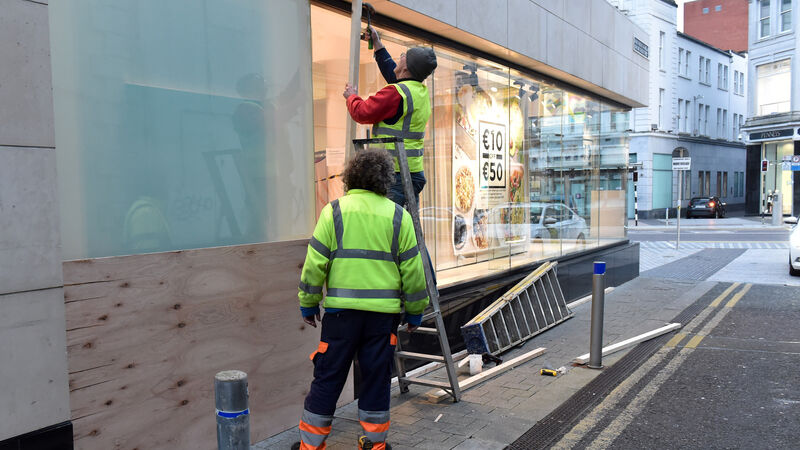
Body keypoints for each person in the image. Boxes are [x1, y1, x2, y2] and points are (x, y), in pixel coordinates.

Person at [293, 149, 430, 450]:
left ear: (350, 176)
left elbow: (315, 264)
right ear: (385, 180)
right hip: (382, 319)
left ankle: (310, 446)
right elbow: (413, 270)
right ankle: (374, 445)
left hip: (341, 317)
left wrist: (308, 302)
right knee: (376, 379)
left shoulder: (334, 212)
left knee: (328, 378)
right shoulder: (399, 216)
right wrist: (416, 311)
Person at [343, 27, 437, 208]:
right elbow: (393, 72)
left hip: (394, 173)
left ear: (407, 67)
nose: (400, 57)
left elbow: (362, 112)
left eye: (403, 56)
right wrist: (377, 45)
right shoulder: (419, 91)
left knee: (389, 228)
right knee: (405, 225)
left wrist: (351, 97)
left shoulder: (396, 93)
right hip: (412, 172)